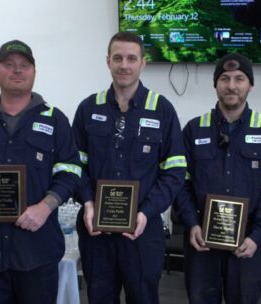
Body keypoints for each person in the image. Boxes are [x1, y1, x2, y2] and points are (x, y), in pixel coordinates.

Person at [0, 40, 81, 303]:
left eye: (24, 66)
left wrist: (45, 207)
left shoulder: (55, 120)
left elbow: (70, 172)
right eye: (9, 65)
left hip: (37, 246)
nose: (17, 71)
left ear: (34, 72)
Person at [73, 32, 187, 304]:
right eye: (118, 58)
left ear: (143, 63)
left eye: (131, 58)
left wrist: (146, 212)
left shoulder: (162, 110)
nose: (124, 65)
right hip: (95, 231)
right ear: (108, 62)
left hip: (142, 230)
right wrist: (88, 202)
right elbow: (75, 166)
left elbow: (174, 172)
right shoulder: (88, 108)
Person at [173, 53, 261, 304]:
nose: (231, 85)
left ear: (250, 85)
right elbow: (181, 183)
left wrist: (257, 237)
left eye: (239, 78)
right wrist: (192, 224)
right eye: (224, 78)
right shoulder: (194, 129)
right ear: (215, 84)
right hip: (202, 242)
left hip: (247, 244)